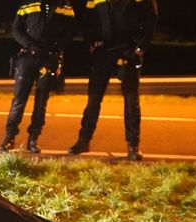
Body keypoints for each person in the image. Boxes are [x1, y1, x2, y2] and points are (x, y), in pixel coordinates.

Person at [67, 0, 157, 161]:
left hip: (128, 52)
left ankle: (133, 146)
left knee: (131, 101)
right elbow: (87, 21)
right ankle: (83, 140)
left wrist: (140, 48)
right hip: (103, 52)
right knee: (93, 99)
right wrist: (90, 42)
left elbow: (150, 19)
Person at [0, 0, 76, 154]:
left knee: (41, 103)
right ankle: (9, 138)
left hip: (48, 60)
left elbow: (70, 32)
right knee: (19, 101)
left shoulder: (65, 7)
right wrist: (30, 45)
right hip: (28, 58)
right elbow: (15, 29)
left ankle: (33, 139)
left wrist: (56, 48)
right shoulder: (28, 4)